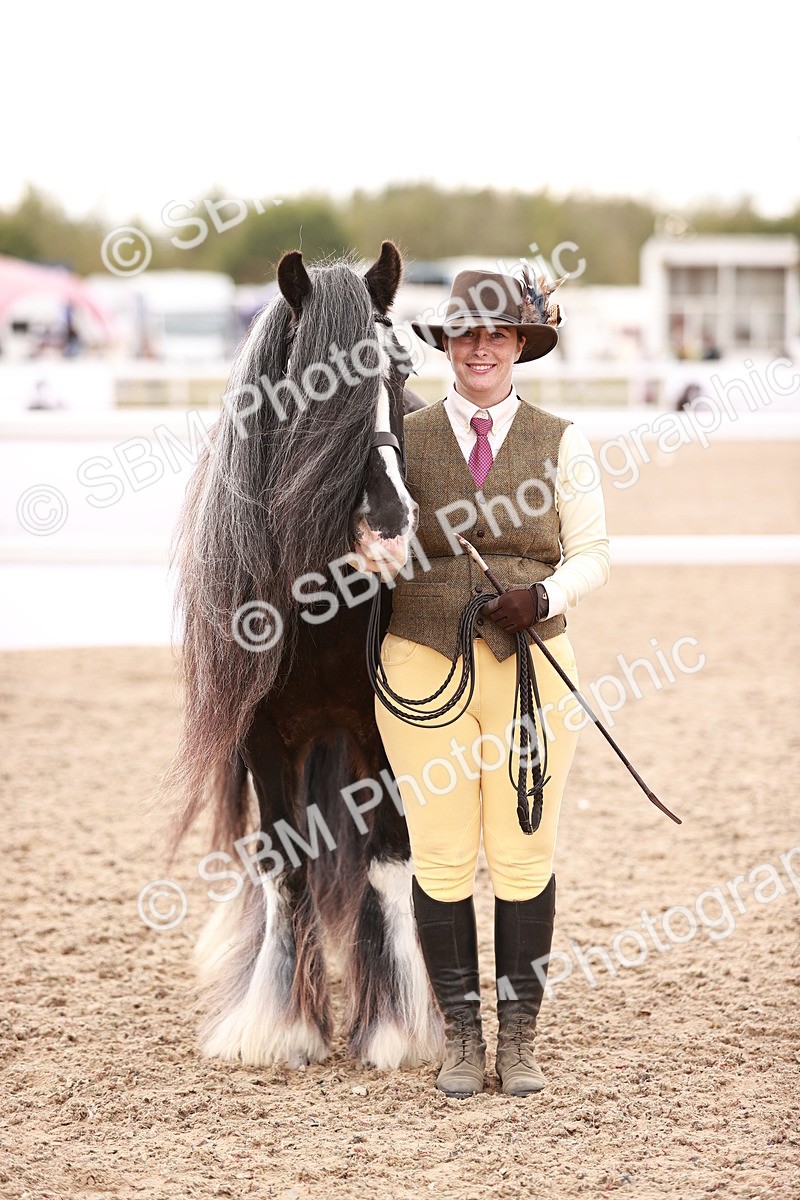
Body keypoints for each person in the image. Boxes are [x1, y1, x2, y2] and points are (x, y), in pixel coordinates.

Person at [374, 267, 610, 1098]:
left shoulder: (563, 439)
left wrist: (541, 595)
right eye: (466, 334)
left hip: (532, 672)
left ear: (520, 346)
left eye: (498, 335)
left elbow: (594, 556)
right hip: (421, 667)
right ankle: (462, 1040)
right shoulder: (401, 433)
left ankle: (521, 1040)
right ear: (446, 345)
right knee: (438, 854)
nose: (481, 348)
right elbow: (371, 535)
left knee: (522, 851)